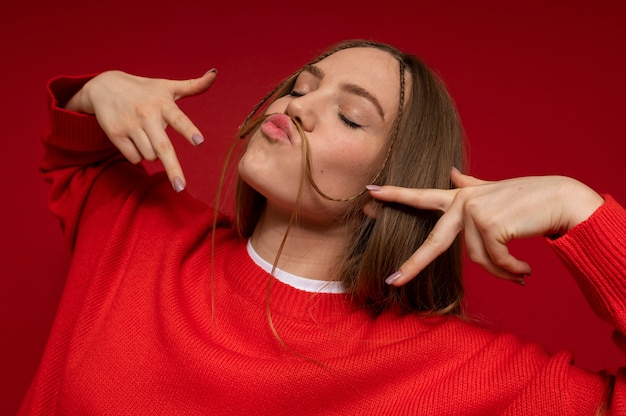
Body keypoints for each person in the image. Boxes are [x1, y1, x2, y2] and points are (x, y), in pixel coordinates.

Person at [19, 40, 625, 415]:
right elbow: (76, 153)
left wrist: (582, 212)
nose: (297, 107)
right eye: (302, 87)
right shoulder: (134, 232)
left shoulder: (458, 370)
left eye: (350, 115)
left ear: (384, 189)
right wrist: (97, 92)